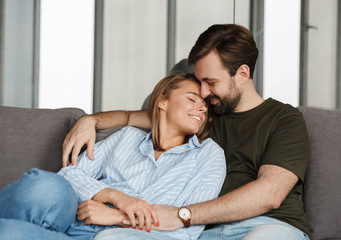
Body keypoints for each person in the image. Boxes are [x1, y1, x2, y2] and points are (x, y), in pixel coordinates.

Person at [62, 24, 311, 240]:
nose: (202, 93)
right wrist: (89, 120)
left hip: (269, 226)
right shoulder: (201, 115)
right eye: (200, 83)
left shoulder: (283, 119)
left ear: (242, 74)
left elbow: (270, 194)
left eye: (211, 82)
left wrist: (184, 215)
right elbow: (129, 117)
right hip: (204, 233)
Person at [0, 74, 226, 240]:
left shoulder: (208, 155)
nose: (202, 108)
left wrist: (117, 217)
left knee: (9, 232)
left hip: (118, 236)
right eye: (192, 99)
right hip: (74, 216)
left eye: (205, 104)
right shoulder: (128, 137)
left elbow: (189, 228)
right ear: (162, 101)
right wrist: (116, 196)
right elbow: (69, 174)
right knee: (45, 185)